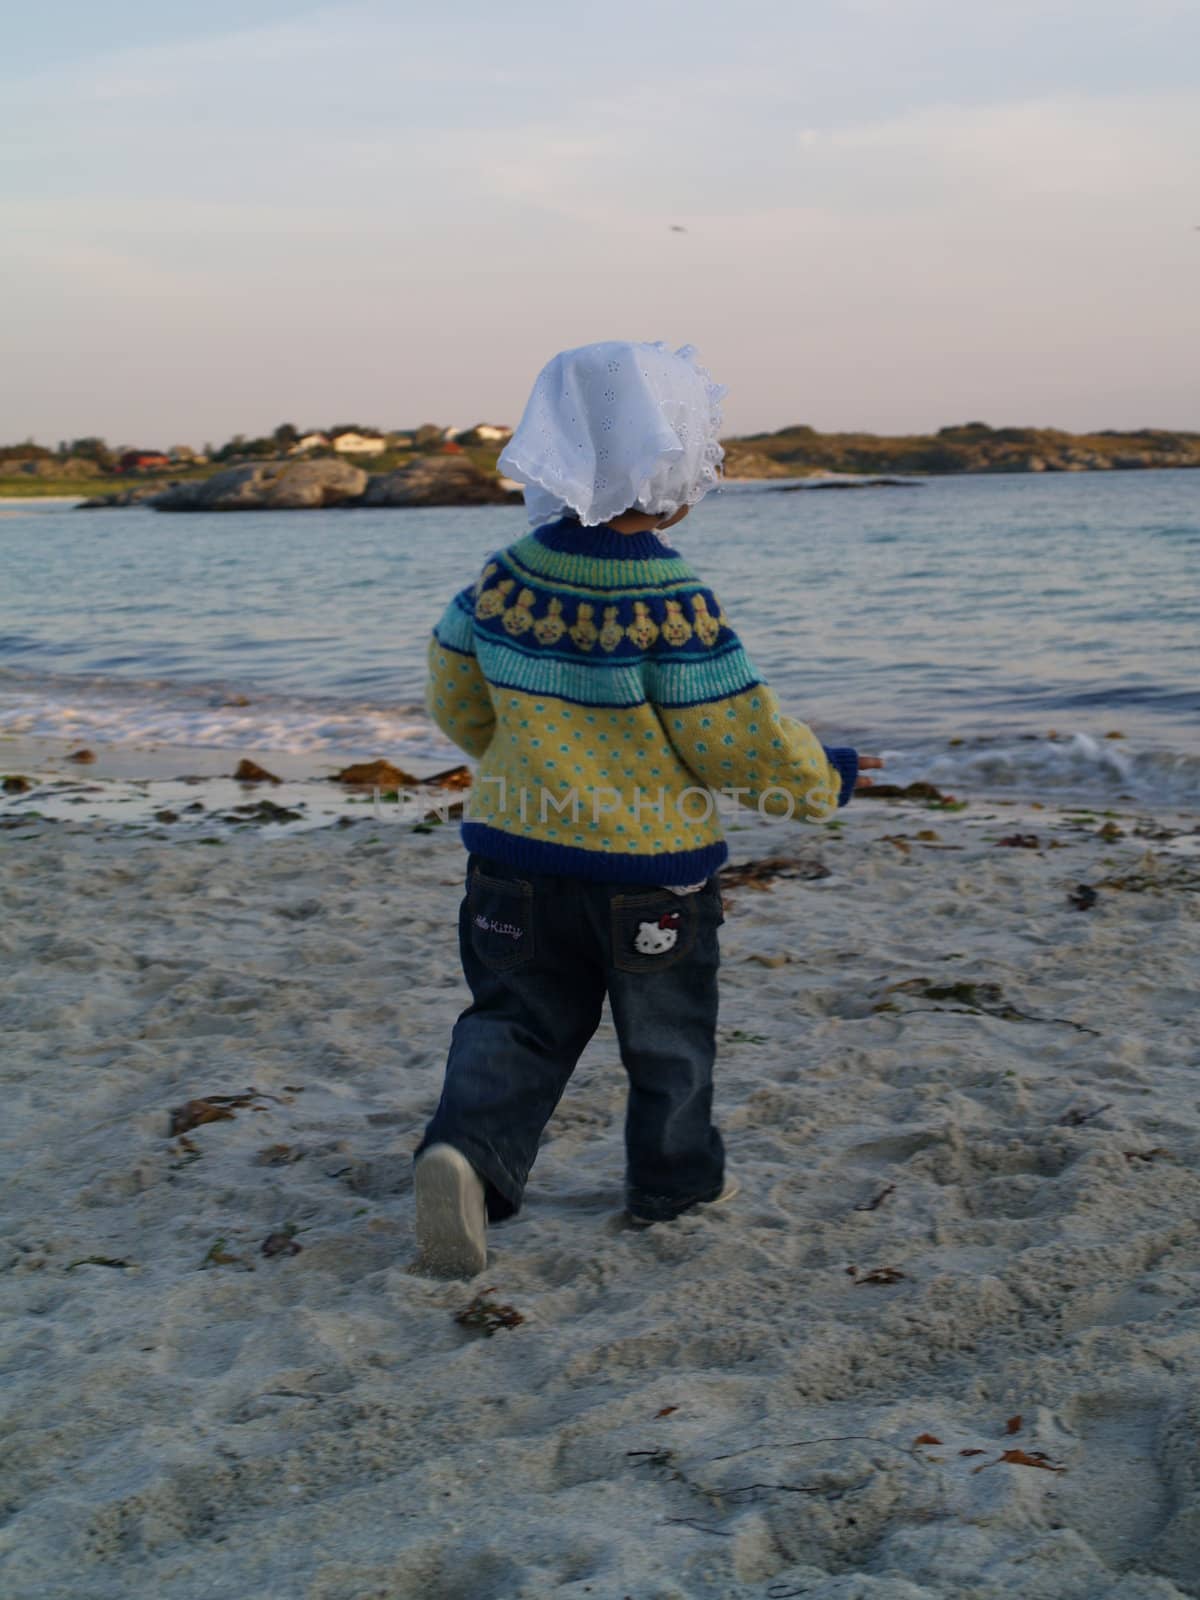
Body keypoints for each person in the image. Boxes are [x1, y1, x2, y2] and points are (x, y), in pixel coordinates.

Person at [413, 340, 880, 1277]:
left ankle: (468, 1157)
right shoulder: (673, 605)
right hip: (649, 876)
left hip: (512, 860)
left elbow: (454, 692)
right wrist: (821, 777)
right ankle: (673, 1184)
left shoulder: (501, 580)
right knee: (667, 1037)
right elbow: (736, 737)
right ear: (672, 475)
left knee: (513, 1017)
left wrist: (518, 767)